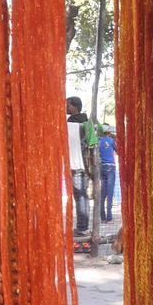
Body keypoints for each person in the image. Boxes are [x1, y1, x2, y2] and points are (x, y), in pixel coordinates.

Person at [67, 95, 90, 234]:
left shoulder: (72, 122)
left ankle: (82, 228)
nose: (65, 108)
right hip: (86, 164)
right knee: (83, 195)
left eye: (67, 105)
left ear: (74, 107)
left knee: (79, 195)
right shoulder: (87, 121)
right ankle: (84, 227)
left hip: (76, 164)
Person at [99, 126, 117, 223]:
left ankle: (102, 217)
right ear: (109, 132)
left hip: (102, 167)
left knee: (103, 194)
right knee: (110, 193)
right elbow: (118, 150)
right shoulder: (111, 141)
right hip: (110, 167)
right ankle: (109, 218)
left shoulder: (98, 141)